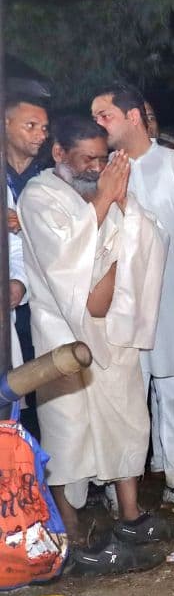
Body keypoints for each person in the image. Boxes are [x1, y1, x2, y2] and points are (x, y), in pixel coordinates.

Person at [20, 116, 174, 572]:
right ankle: (71, 535)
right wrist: (104, 202)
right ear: (59, 153)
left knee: (128, 416)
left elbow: (149, 235)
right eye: (87, 159)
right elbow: (63, 259)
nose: (97, 168)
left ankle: (130, 517)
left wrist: (121, 205)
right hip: (63, 333)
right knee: (68, 430)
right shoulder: (39, 196)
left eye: (102, 158)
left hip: (112, 329)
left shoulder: (104, 188)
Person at [92, 83, 174, 506]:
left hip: (173, 294)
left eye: (104, 115)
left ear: (133, 117)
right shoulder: (100, 169)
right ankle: (119, 481)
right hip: (119, 300)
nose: (97, 124)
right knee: (125, 394)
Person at [4, 96, 49, 433]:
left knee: (41, 389)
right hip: (12, 306)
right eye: (30, 125)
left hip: (45, 298)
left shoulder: (52, 173)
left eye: (44, 128)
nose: (40, 135)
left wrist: (24, 222)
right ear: (5, 125)